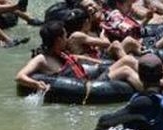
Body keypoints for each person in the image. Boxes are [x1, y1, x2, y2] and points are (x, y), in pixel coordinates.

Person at [15, 21, 149, 93]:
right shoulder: (41, 59)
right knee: (125, 70)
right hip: (87, 86)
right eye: (65, 36)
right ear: (58, 40)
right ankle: (153, 94)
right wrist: (36, 84)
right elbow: (20, 76)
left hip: (90, 79)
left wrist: (99, 63)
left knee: (129, 60)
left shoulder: (61, 53)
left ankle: (159, 83)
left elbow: (76, 59)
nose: (67, 38)